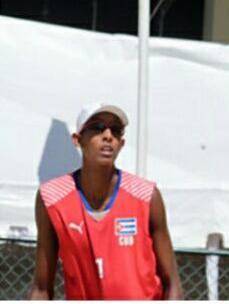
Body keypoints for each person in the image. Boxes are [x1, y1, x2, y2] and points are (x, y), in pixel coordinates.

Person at [29, 103, 183, 300]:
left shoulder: (147, 196)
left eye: (116, 131)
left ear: (122, 143)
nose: (108, 136)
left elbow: (172, 284)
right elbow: (41, 288)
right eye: (97, 127)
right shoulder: (51, 199)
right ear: (78, 140)